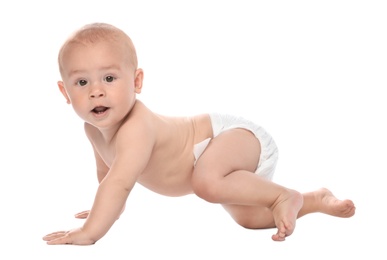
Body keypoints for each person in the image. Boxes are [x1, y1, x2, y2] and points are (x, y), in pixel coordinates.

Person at [42, 22, 355, 245]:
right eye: (82, 83)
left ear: (136, 81)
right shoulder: (93, 130)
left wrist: (91, 232)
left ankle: (281, 194)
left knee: (206, 182)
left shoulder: (136, 126)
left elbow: (121, 183)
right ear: (65, 91)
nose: (96, 91)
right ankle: (313, 199)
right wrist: (105, 209)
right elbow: (108, 176)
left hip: (232, 136)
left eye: (109, 78)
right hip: (223, 167)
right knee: (248, 220)